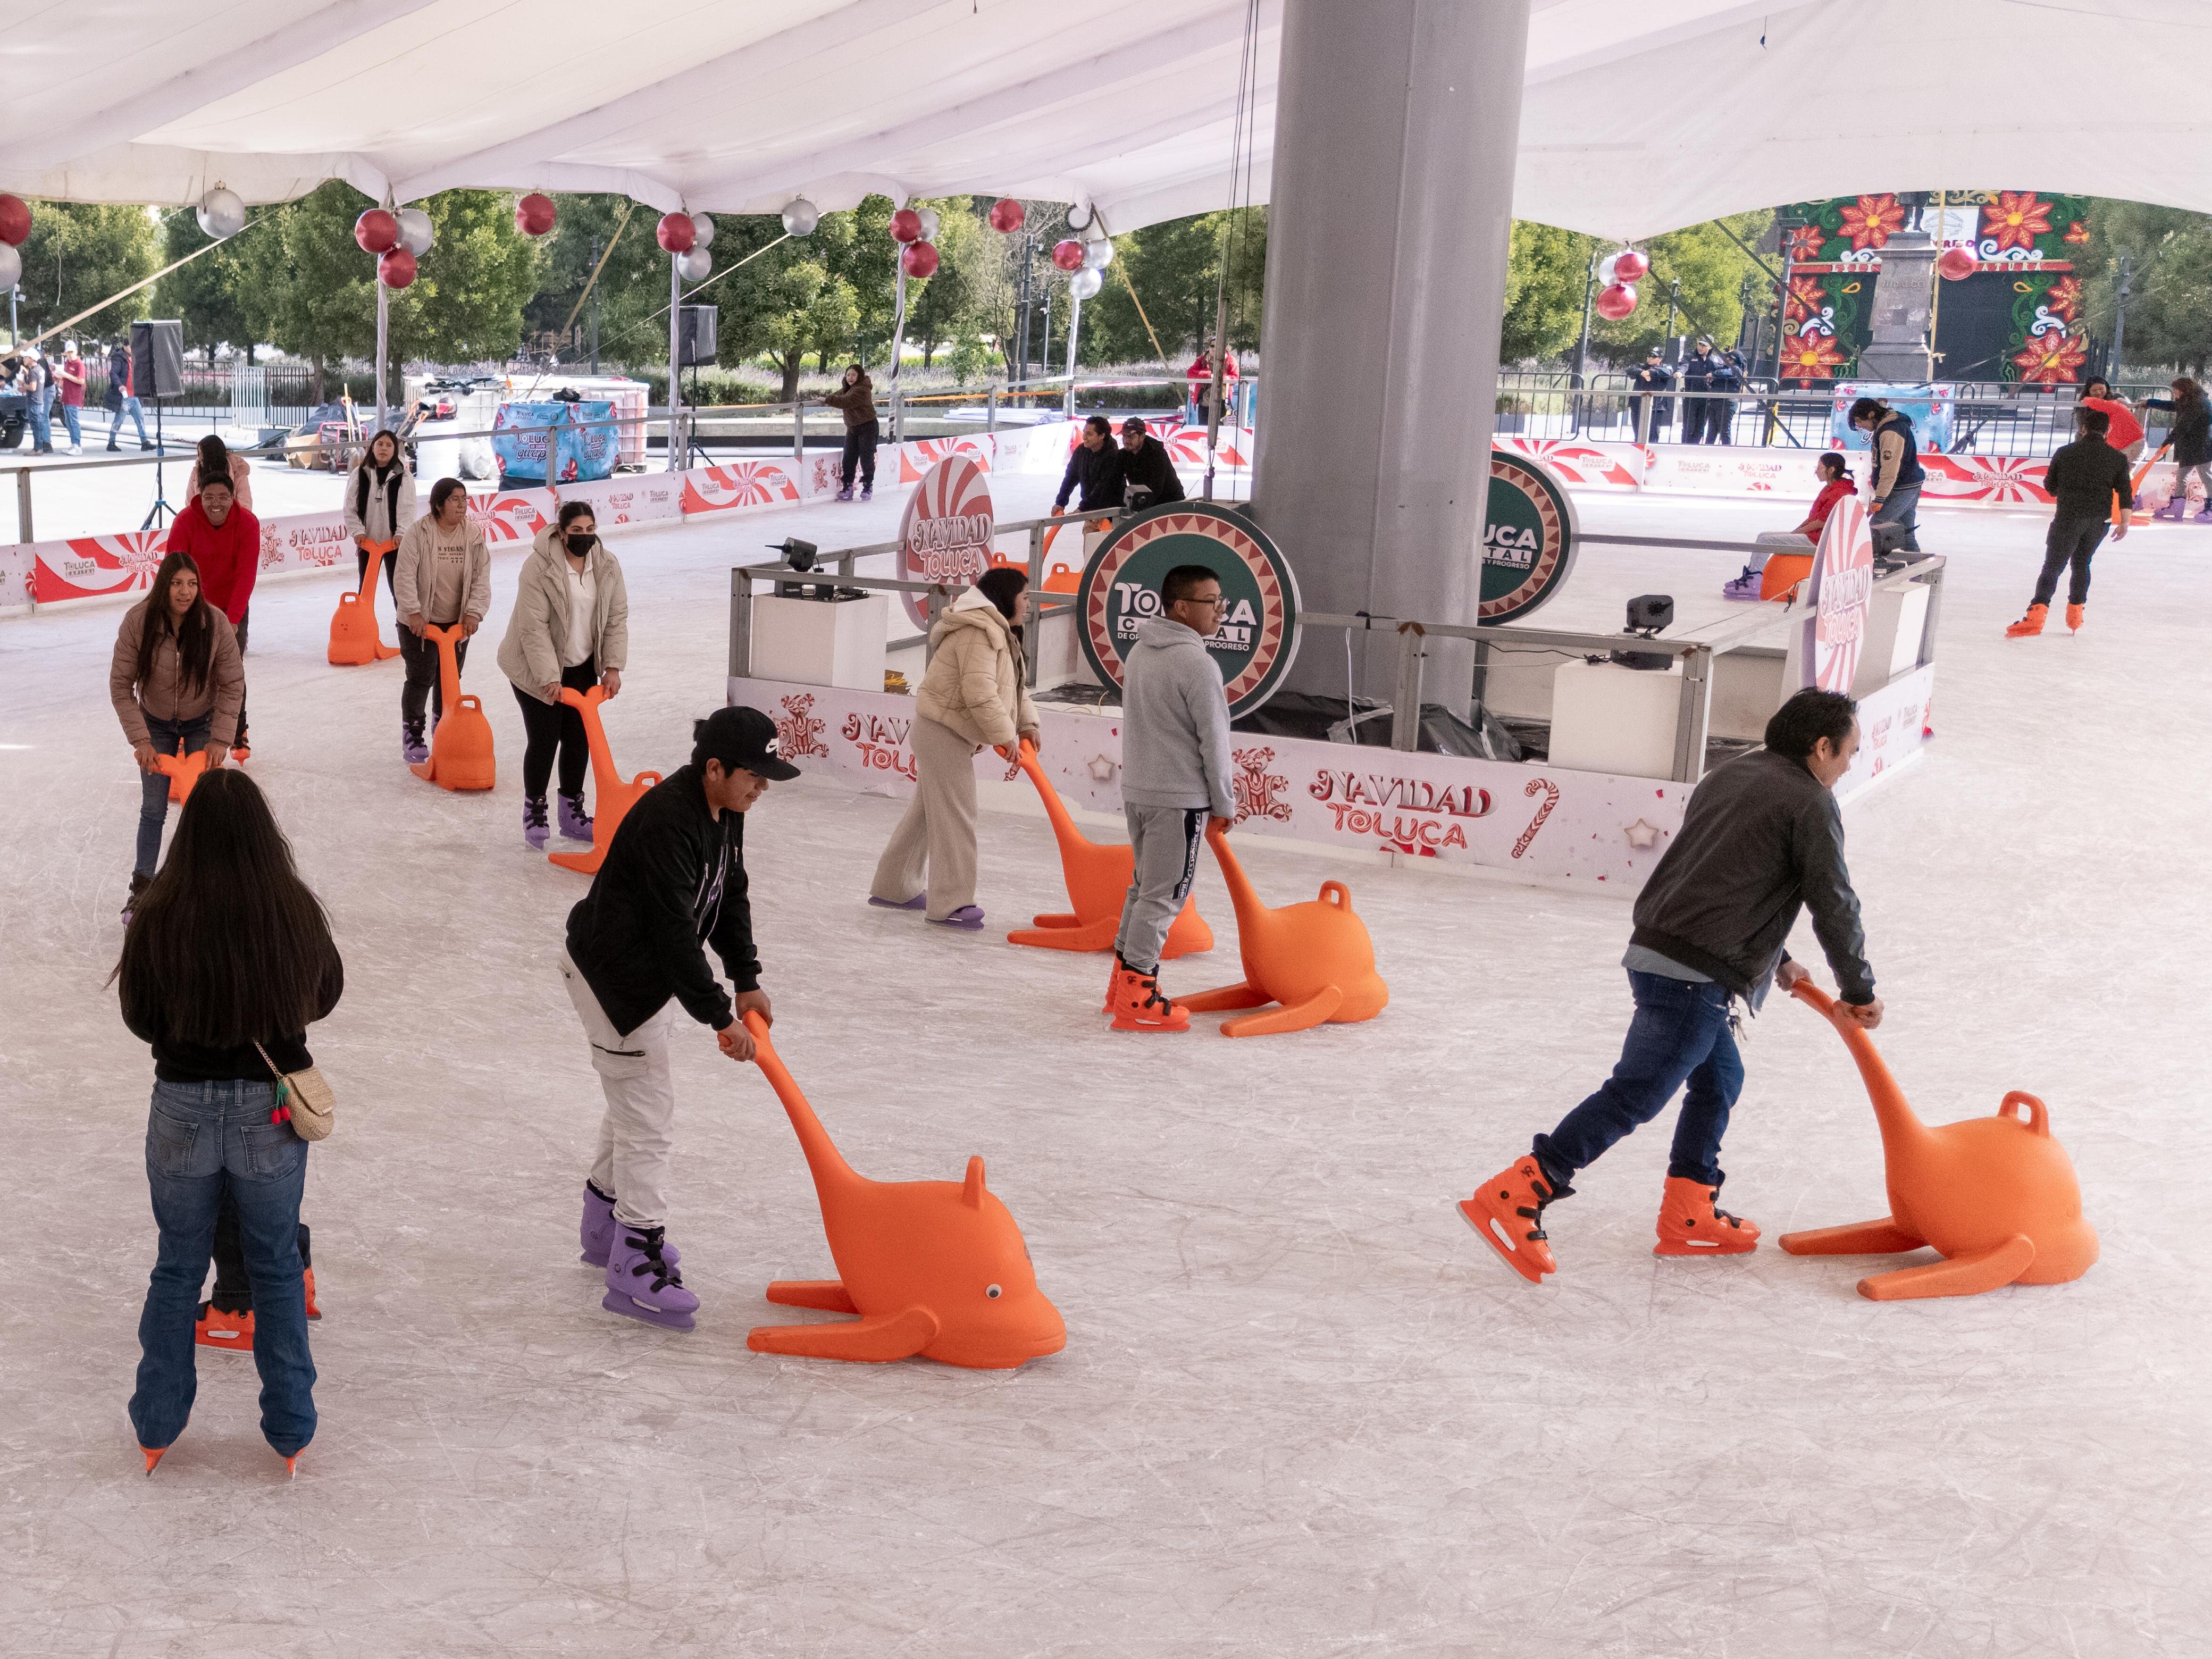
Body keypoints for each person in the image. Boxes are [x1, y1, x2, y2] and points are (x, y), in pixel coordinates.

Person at [1461, 687, 1882, 1284]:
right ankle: (1523, 1189)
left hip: (1659, 947)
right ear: (1820, 748)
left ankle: (1689, 1212)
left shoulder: (1729, 775)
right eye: (1848, 753)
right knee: (1638, 1091)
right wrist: (1858, 990)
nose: (1848, 766)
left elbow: (1721, 874)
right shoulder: (1809, 803)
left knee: (1719, 1081)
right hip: (1695, 973)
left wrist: (1777, 957)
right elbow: (1833, 902)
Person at [116, 768, 343, 1477]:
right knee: (276, 1264)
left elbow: (138, 1015)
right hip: (266, 1113)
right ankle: (291, 1427)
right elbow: (325, 992)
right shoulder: (291, 909)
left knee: (178, 1264)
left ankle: (156, 1422)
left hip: (181, 1106)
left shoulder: (161, 912)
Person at [559, 706, 798, 1330]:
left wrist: (745, 978)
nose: (762, 787)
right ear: (714, 767)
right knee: (648, 1121)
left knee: (634, 1107)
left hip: (644, 978)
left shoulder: (724, 809)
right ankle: (634, 1263)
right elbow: (673, 934)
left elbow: (729, 890)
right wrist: (719, 1016)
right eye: (754, 774)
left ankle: (602, 1230)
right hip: (617, 983)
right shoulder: (670, 820)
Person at [869, 566, 1039, 928]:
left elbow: (1013, 686)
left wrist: (1026, 724)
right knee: (958, 817)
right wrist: (1005, 734)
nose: (1029, 605)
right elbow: (980, 693)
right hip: (943, 732)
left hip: (947, 732)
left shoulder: (998, 631)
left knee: (929, 815)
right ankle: (952, 903)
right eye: (1025, 597)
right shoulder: (978, 633)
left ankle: (893, 887)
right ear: (1006, 597)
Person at [1110, 564, 1236, 1034]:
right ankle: (1138, 997)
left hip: (1141, 791)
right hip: (1178, 797)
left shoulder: (1142, 649)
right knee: (1164, 898)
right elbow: (1215, 739)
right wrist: (1224, 801)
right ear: (1182, 607)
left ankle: (1122, 986)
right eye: (1212, 601)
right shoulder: (1197, 663)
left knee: (1144, 890)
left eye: (1221, 600)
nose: (1220, 610)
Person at [111, 549, 245, 917]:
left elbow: (233, 684)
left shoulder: (214, 624)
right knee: (153, 809)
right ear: (163, 586)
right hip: (154, 724)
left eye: (192, 584)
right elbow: (121, 686)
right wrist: (141, 740)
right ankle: (142, 888)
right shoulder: (138, 622)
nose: (185, 592)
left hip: (201, 721)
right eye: (176, 584)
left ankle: (211, 887)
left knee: (203, 808)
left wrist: (221, 738)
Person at [497, 499, 630, 850]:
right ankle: (535, 809)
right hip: (532, 666)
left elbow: (616, 617)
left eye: (590, 531)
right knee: (545, 737)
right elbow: (533, 629)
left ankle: (572, 814)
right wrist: (547, 677)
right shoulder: (538, 568)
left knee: (578, 738)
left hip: (581, 664)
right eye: (576, 532)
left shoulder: (607, 566)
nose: (584, 538)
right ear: (561, 532)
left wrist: (613, 666)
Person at [2005, 405, 2132, 638]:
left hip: (2069, 518)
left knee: (2053, 567)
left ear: (2083, 429)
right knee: (2083, 563)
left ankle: (2035, 619)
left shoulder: (2065, 453)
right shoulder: (2118, 458)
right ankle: (2075, 616)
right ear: (2108, 430)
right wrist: (2125, 522)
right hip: (2099, 522)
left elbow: (2050, 486)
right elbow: (2125, 492)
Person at [392, 478, 491, 763]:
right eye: (455, 499)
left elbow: (481, 578)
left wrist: (474, 611)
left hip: (456, 623)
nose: (462, 505)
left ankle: (445, 723)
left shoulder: (472, 535)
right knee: (421, 677)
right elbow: (405, 575)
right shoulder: (419, 533)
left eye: (465, 499)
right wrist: (413, 612)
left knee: (450, 678)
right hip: (419, 623)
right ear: (438, 504)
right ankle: (413, 733)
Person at [164, 472, 260, 760]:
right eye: (209, 497)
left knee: (230, 672)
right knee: (190, 669)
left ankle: (237, 730)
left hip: (232, 606)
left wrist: (232, 619)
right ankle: (185, 734)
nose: (215, 504)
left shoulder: (247, 523)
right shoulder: (185, 521)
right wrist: (177, 612)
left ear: (233, 498)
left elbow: (246, 573)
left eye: (223, 497)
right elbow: (173, 570)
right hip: (190, 605)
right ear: (199, 497)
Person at [1723, 453, 1855, 599]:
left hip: (1818, 541)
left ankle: (1754, 582)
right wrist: (1797, 531)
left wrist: (1798, 532)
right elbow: (1815, 518)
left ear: (1831, 470)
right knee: (1763, 536)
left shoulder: (1838, 491)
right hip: (1815, 536)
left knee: (1766, 541)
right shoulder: (1832, 488)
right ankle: (1751, 575)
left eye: (1819, 468)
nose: (1816, 471)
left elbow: (1822, 521)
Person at [342, 429, 416, 605]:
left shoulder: (404, 477)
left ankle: (404, 627)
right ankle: (361, 626)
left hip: (394, 544)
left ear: (395, 450)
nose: (384, 449)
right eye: (380, 444)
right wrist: (358, 531)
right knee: (365, 589)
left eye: (389, 445)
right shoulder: (360, 474)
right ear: (373, 447)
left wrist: (401, 533)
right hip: (367, 543)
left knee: (400, 589)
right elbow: (350, 507)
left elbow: (408, 507)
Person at [1848, 396, 1924, 554]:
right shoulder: (1885, 423)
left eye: (1860, 421)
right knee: (1906, 534)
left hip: (1903, 488)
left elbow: (1890, 470)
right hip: (1906, 486)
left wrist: (1880, 500)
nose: (1860, 426)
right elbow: (1881, 406)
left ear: (1870, 415)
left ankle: (1873, 567)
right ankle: (1919, 574)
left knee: (1877, 527)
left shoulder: (1890, 431)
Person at [2145, 377, 2211, 522]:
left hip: (2202, 446)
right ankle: (2177, 508)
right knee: (2182, 477)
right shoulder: (2188, 402)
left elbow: (2184, 425)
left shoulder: (2198, 404)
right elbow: (2172, 406)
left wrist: (2168, 442)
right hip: (2189, 446)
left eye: (2176, 392)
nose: (2175, 395)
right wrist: (2150, 403)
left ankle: (2211, 508)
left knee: (2206, 475)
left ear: (2184, 391)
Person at [822, 363, 877, 501]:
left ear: (860, 377)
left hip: (868, 427)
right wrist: (827, 398)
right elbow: (840, 395)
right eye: (848, 375)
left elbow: (846, 401)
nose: (850, 378)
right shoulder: (849, 388)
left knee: (866, 458)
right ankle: (848, 487)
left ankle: (867, 486)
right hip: (853, 428)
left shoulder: (862, 390)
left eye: (853, 375)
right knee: (848, 458)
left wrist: (828, 400)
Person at [1053, 415, 1125, 516]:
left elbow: (1103, 488)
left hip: (1112, 512)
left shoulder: (1114, 457)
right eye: (1084, 432)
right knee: (1089, 531)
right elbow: (1070, 478)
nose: (1084, 437)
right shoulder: (1081, 451)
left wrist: (1082, 509)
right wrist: (1061, 502)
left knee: (1105, 532)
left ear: (1102, 436)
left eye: (1089, 434)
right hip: (1091, 510)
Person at [1117, 417, 1186, 507]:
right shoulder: (1124, 454)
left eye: (1131, 437)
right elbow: (1115, 481)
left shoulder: (1157, 454)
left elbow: (1156, 489)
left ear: (1142, 437)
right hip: (1144, 500)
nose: (1126, 441)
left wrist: (1138, 508)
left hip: (1171, 502)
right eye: (1124, 436)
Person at [2078, 378, 2144, 468]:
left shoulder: (2114, 402)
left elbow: (2095, 403)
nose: (2098, 392)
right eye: (2094, 390)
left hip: (2129, 444)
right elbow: (2082, 428)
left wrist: (2086, 400)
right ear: (2089, 392)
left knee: (2122, 473)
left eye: (2101, 389)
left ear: (2107, 388)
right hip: (2114, 444)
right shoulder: (2085, 409)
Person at [187, 433, 254, 514]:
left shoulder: (238, 471)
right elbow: (190, 504)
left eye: (203, 455)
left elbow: (245, 505)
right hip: (202, 523)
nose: (200, 459)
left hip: (233, 523)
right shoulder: (196, 473)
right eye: (199, 455)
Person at [106, 338, 152, 451]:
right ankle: (111, 442)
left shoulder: (135, 359)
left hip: (135, 395)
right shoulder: (119, 358)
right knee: (119, 420)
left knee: (140, 418)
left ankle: (144, 442)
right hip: (125, 396)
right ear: (126, 347)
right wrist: (120, 385)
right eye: (131, 347)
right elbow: (114, 373)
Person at [1628, 348, 1675, 445]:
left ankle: (1651, 455)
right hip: (1638, 405)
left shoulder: (1665, 367)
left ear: (1660, 359)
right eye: (1649, 356)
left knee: (1653, 434)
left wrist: (1650, 373)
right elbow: (1630, 370)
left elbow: (1668, 372)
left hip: (1656, 406)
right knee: (1638, 434)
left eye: (1654, 357)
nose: (1650, 358)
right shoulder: (1642, 367)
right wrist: (1642, 373)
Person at [1186, 340, 1239, 425]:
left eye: (1218, 346)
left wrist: (1221, 379)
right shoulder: (1202, 360)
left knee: (1219, 428)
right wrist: (1209, 375)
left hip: (1222, 400)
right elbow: (1190, 374)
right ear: (1209, 347)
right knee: (1203, 428)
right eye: (1212, 346)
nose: (1215, 348)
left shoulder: (1230, 360)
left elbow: (1236, 377)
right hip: (1204, 401)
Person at [1702, 343, 1745, 444]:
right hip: (1716, 401)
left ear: (1733, 360)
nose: (1726, 360)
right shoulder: (1722, 368)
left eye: (1729, 359)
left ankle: (1727, 451)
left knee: (1724, 430)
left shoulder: (1737, 369)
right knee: (1712, 431)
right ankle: (1707, 451)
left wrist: (1714, 374)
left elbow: (1729, 373)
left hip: (1727, 402)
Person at [53, 339, 88, 453]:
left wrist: (66, 375)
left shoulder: (79, 364)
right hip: (66, 396)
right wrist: (60, 378)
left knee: (73, 421)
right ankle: (73, 444)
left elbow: (81, 380)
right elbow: (66, 378)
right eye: (68, 352)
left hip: (74, 397)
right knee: (68, 421)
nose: (70, 355)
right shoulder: (68, 363)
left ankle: (77, 445)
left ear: (76, 351)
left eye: (72, 352)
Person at [1678, 337, 1714, 445]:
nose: (1700, 347)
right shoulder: (1689, 357)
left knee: (1700, 427)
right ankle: (1685, 447)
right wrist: (1680, 373)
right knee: (1688, 426)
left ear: (1710, 347)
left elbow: (1722, 370)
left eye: (1704, 345)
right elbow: (1684, 366)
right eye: (1699, 344)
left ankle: (1695, 448)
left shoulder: (1715, 359)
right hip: (1691, 397)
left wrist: (1715, 374)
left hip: (1706, 398)